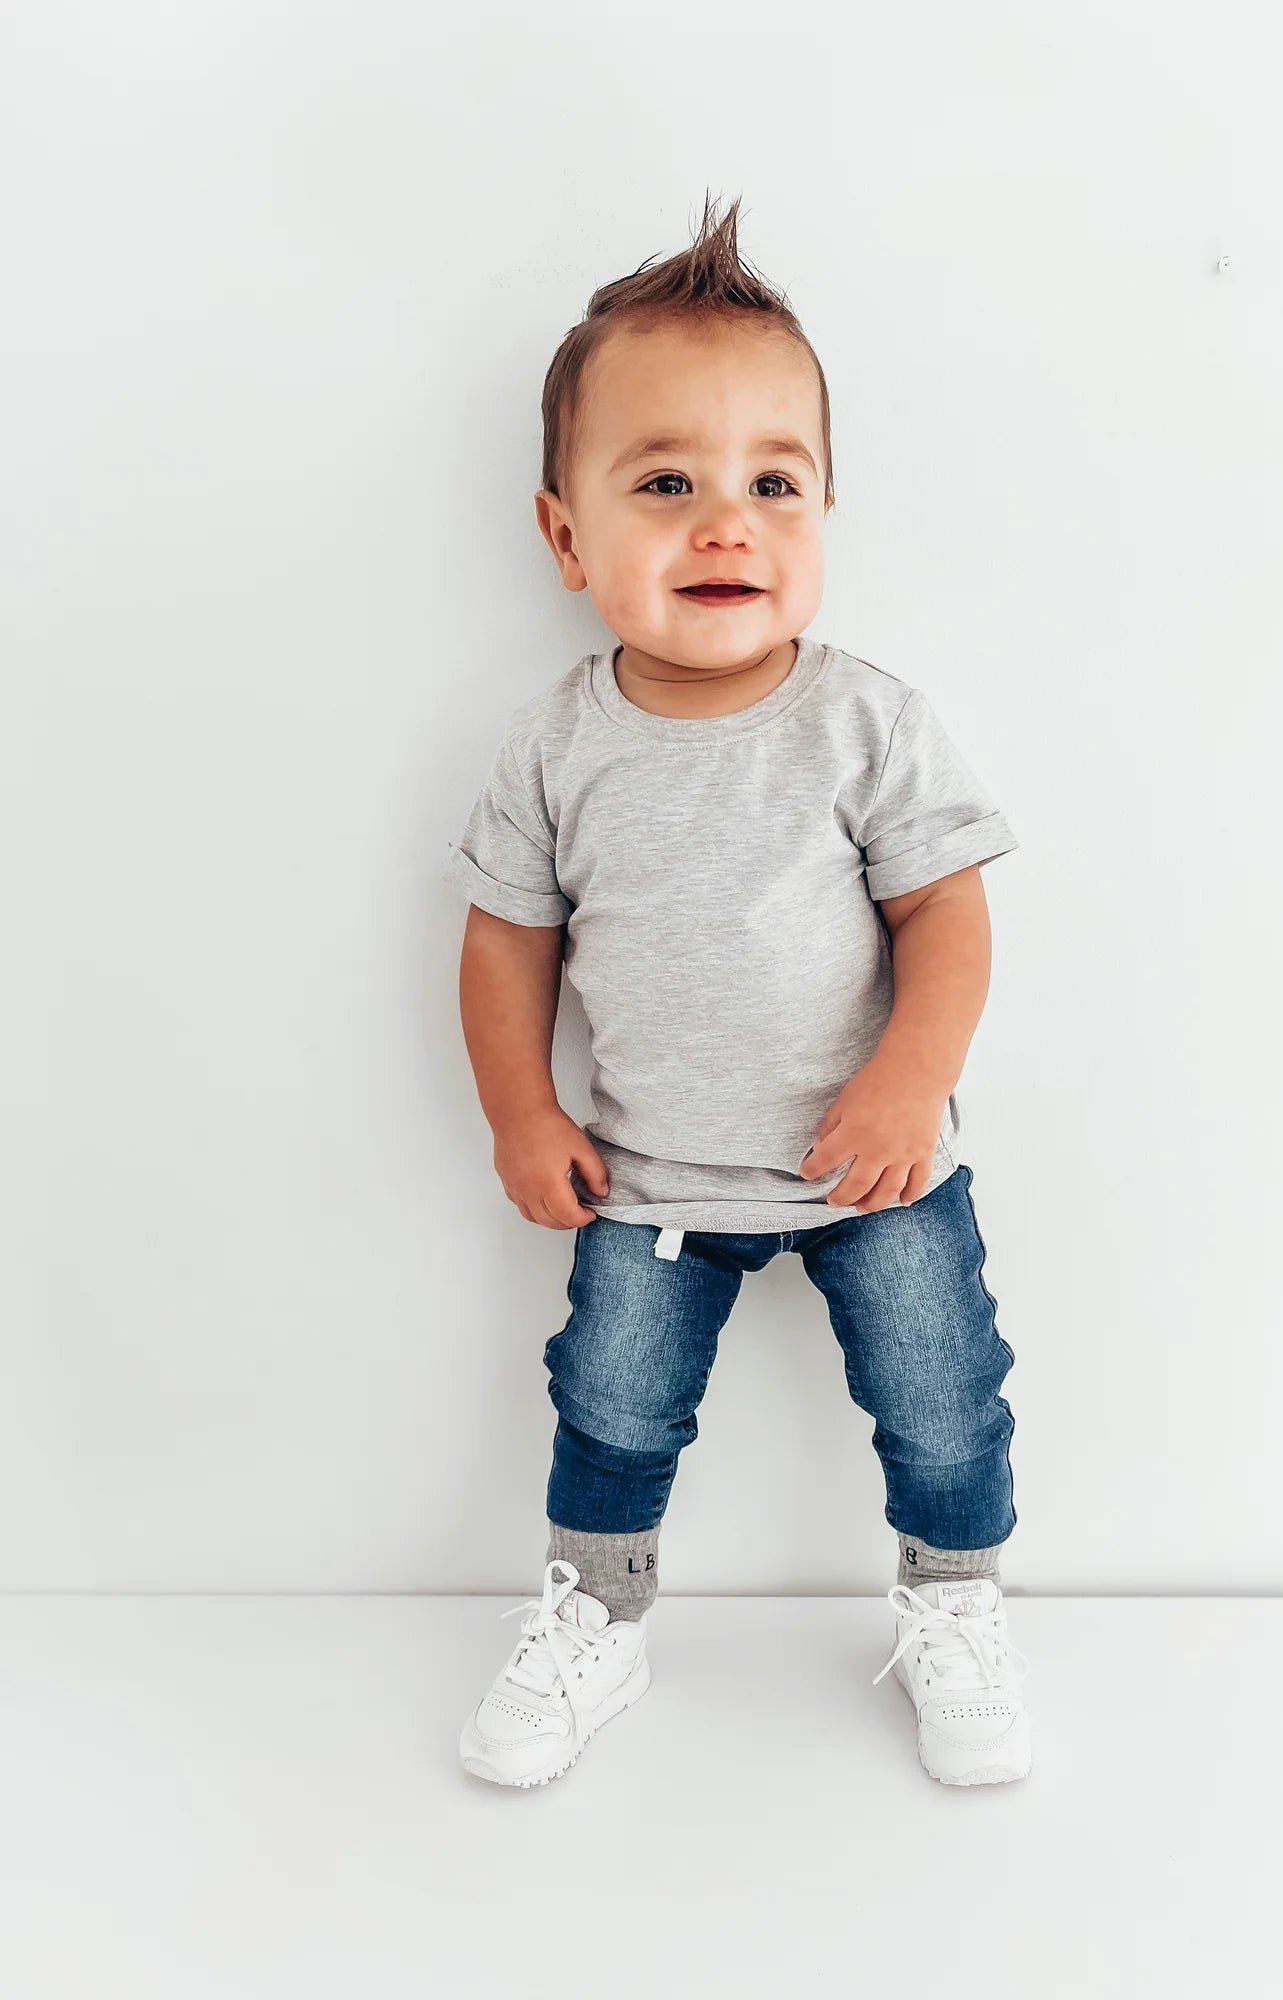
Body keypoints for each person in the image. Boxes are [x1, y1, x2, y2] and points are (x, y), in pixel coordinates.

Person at [443, 193, 1032, 1789]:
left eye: (775, 484)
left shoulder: (867, 724)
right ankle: (597, 1615)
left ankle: (956, 1602)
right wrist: (521, 1115)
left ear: (825, 512)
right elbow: (505, 942)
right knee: (610, 1404)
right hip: (652, 1180)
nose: (727, 526)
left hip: (876, 1173)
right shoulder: (556, 746)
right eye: (666, 485)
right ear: (566, 538)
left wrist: (912, 1078)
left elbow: (947, 913)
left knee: (944, 1397)